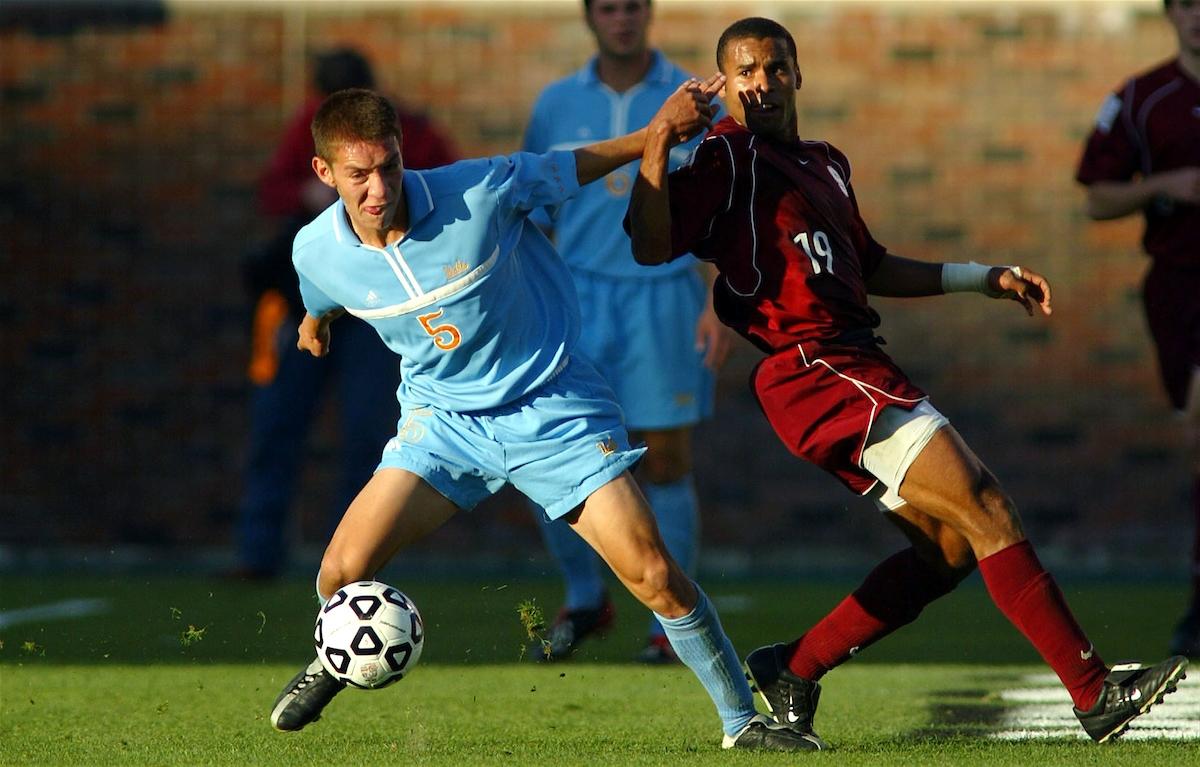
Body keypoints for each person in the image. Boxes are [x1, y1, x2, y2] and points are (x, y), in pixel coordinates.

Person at [627, 16, 1188, 746]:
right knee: (986, 503)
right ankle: (1094, 690)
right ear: (723, 84)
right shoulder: (726, 157)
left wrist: (984, 277)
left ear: (798, 75)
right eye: (745, 72)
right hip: (815, 366)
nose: (761, 83)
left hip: (852, 362)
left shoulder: (827, 162)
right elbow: (647, 244)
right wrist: (659, 140)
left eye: (775, 67)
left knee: (950, 549)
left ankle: (796, 666)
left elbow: (875, 263)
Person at [266, 86, 820, 752]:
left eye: (388, 165)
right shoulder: (314, 251)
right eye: (359, 174)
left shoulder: (477, 192)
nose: (380, 186)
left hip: (553, 408)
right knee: (339, 574)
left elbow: (567, 165)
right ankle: (336, 659)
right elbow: (322, 292)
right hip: (443, 425)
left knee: (653, 574)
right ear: (324, 173)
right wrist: (314, 321)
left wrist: (654, 134)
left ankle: (743, 723)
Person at [521, 0, 731, 663]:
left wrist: (718, 299)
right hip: (573, 299)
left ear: (649, 13)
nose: (622, 19)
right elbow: (529, 204)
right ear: (590, 17)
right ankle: (586, 597)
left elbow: (726, 204)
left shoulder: (693, 97)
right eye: (608, 8)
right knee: (548, 456)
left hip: (663, 296)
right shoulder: (556, 103)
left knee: (664, 457)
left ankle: (671, 623)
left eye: (632, 6)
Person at [236, 48, 458, 579]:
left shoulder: (409, 134)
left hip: (381, 315)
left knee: (369, 436)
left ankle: (359, 563)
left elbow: (446, 186)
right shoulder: (305, 134)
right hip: (305, 306)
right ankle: (259, 553)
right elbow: (272, 192)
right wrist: (305, 192)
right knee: (277, 427)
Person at [1075, 0, 1200, 657]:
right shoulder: (1144, 99)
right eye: (1188, 5)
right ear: (1170, 15)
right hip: (1183, 286)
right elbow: (1096, 196)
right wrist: (1168, 183)